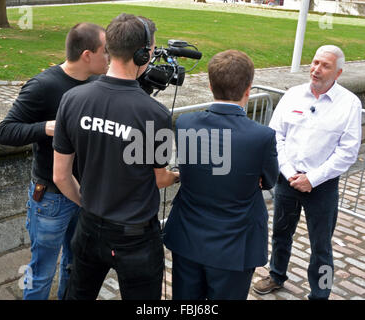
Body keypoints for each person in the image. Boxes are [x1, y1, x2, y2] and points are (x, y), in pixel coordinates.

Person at [52, 13, 179, 300]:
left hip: (88, 227)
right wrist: (178, 175)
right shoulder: (155, 114)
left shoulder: (72, 100)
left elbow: (60, 176)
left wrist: (91, 205)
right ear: (142, 53)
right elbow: (160, 179)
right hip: (135, 239)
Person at [0, 23, 109, 300]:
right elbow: (5, 132)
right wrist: (48, 127)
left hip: (85, 194)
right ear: (86, 55)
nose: (110, 57)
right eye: (105, 51)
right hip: (51, 199)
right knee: (42, 271)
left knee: (75, 265)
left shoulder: (97, 83)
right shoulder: (43, 85)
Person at [163, 50, 279, 300]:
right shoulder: (261, 136)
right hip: (234, 245)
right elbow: (269, 180)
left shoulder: (186, 123)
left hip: (188, 236)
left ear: (210, 85)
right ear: (248, 89)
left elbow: (192, 168)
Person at [253, 45, 362, 300]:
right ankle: (276, 274)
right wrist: (290, 172)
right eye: (314, 62)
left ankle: (320, 292)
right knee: (281, 232)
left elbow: (347, 152)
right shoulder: (292, 95)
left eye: (325, 65)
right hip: (287, 179)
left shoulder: (349, 104)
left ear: (338, 73)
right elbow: (275, 136)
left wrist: (312, 179)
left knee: (321, 245)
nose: (316, 69)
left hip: (322, 185)